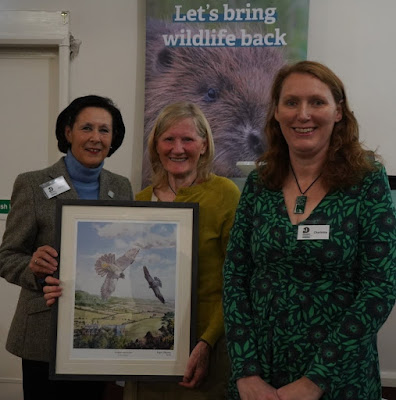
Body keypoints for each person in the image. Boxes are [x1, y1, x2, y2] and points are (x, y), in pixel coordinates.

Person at [223, 61, 396, 400]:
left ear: (338, 112)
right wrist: (246, 372)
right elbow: (234, 276)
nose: (303, 114)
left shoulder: (367, 180)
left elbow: (380, 288)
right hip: (259, 377)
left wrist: (315, 380)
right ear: (276, 112)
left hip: (339, 378)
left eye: (317, 102)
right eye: (291, 102)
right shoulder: (260, 182)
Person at [0, 95, 133, 400]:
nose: (95, 138)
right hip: (42, 332)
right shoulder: (33, 184)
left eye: (104, 130)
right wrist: (34, 268)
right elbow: (6, 257)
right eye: (87, 128)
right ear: (68, 132)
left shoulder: (122, 186)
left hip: (99, 327)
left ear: (114, 138)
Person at [123, 102, 241, 399]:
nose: (178, 148)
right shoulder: (138, 200)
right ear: (156, 146)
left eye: (187, 139)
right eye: (169, 139)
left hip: (205, 352)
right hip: (148, 357)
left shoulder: (225, 194)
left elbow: (237, 279)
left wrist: (207, 342)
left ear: (203, 145)